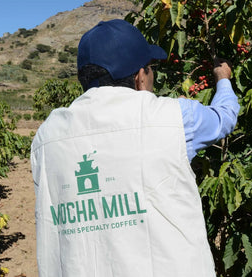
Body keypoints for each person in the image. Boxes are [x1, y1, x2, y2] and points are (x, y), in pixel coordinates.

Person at [31, 19, 239, 277]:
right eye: (151, 69)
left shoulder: (46, 136)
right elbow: (223, 118)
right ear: (141, 77)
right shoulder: (174, 116)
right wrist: (223, 80)